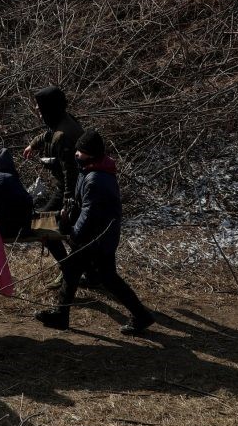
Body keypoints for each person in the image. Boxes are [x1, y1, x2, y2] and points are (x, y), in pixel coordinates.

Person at [34, 130, 156, 336]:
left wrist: (73, 235)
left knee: (80, 271)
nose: (76, 154)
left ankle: (61, 315)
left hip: (97, 238)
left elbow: (89, 213)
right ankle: (140, 315)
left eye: (80, 152)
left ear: (90, 154)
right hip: (99, 236)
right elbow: (81, 202)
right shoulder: (90, 169)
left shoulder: (96, 179)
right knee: (103, 276)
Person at [23, 86, 85, 273]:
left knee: (42, 224)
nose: (38, 113)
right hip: (73, 188)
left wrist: (67, 204)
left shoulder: (63, 137)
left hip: (73, 191)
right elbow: (50, 133)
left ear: (49, 110)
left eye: (40, 110)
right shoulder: (65, 119)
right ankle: (75, 269)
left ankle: (69, 269)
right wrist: (34, 144)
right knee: (58, 229)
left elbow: (70, 172)